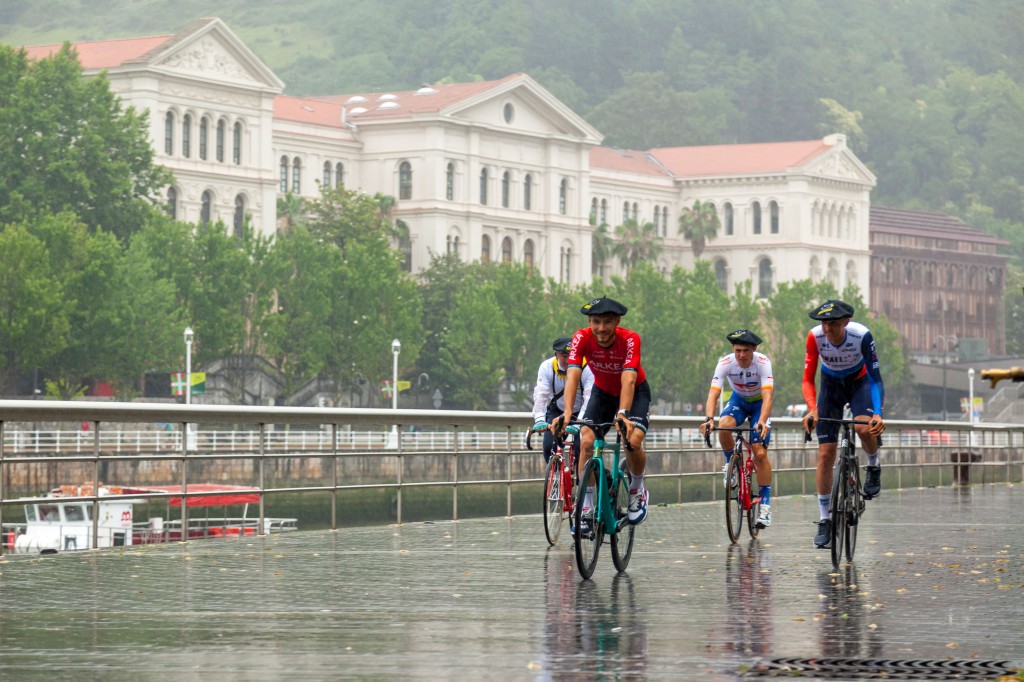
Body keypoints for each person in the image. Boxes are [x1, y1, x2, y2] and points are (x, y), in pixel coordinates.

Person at [555, 296, 652, 528]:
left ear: (617, 321)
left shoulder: (630, 339)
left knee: (632, 441)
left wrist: (623, 414)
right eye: (596, 322)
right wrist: (567, 412)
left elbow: (628, 379)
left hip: (634, 392)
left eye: (607, 322)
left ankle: (637, 489)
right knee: (586, 441)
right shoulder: (581, 338)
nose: (601, 328)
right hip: (602, 393)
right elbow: (573, 376)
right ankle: (587, 506)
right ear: (589, 321)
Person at [800, 299, 886, 549]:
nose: (827, 328)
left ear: (846, 322)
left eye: (833, 323)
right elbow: (807, 379)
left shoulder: (861, 335)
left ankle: (873, 466)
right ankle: (825, 519)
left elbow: (876, 379)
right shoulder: (815, 337)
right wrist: (812, 409)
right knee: (825, 454)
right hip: (831, 386)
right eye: (824, 323)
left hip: (860, 383)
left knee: (862, 428)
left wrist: (877, 413)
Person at [699, 329, 775, 528]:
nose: (741, 355)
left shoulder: (763, 362)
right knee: (724, 425)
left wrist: (762, 420)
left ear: (754, 349)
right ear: (733, 349)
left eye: (746, 351)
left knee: (759, 453)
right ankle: (731, 464)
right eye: (738, 350)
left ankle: (765, 505)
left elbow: (768, 395)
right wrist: (709, 419)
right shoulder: (725, 363)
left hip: (759, 404)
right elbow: (713, 393)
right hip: (739, 401)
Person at [530, 336, 594, 463]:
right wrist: (539, 419)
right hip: (557, 411)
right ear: (556, 355)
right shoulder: (547, 367)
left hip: (581, 412)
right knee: (549, 446)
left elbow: (589, 399)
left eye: (571, 356)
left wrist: (579, 423)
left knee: (581, 448)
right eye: (564, 356)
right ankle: (553, 473)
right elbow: (541, 395)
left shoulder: (587, 368)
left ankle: (582, 474)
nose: (568, 360)